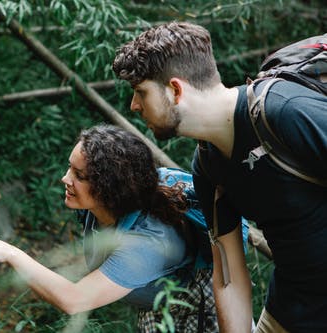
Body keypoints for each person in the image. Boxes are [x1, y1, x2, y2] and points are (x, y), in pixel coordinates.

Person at [112, 21, 327, 333]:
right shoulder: (207, 166)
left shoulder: (284, 112)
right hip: (290, 310)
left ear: (175, 90)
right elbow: (228, 277)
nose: (134, 105)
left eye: (140, 92)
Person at [0, 124, 218, 332]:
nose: (65, 179)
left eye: (79, 176)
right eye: (70, 168)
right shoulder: (102, 208)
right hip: (156, 310)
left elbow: (75, 300)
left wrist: (11, 254)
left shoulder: (145, 244)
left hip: (198, 316)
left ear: (111, 186)